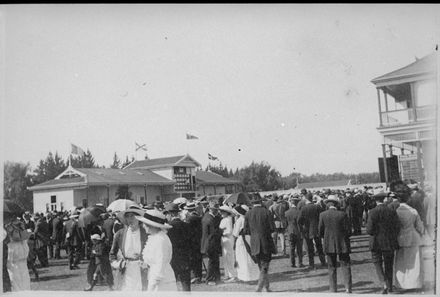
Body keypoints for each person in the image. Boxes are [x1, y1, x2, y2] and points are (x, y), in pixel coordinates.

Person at [392, 181, 425, 291]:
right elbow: (420, 227)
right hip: (413, 237)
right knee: (415, 262)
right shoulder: (413, 211)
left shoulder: (395, 212)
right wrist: (421, 233)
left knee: (401, 262)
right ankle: (414, 283)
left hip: (401, 238)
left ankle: (401, 284)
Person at [366, 192, 400, 294]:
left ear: (376, 201)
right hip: (389, 242)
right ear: (384, 199)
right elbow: (397, 226)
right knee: (389, 264)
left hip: (376, 242)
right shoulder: (391, 211)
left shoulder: (372, 212)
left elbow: (369, 230)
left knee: (377, 263)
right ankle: (389, 286)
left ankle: (383, 282)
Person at [136, 209, 177, 291]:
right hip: (156, 277)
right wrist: (145, 263)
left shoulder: (160, 240)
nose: (143, 226)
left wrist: (153, 284)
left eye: (145, 224)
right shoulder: (155, 237)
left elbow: (160, 263)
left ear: (151, 225)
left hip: (162, 281)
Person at [318, 195, 352, 293]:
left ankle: (333, 289)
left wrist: (327, 237)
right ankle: (348, 288)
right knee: (345, 265)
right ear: (336, 204)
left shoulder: (322, 215)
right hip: (342, 243)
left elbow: (320, 231)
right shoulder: (343, 214)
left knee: (331, 267)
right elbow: (348, 231)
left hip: (329, 243)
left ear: (328, 204)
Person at [110, 205, 148, 291]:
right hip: (126, 271)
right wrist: (119, 264)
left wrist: (146, 262)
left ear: (139, 218)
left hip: (142, 271)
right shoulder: (120, 234)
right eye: (128, 216)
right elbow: (112, 255)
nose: (130, 219)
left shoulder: (145, 233)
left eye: (133, 216)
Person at [244, 197, 276, 292]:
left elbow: (246, 230)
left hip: (254, 242)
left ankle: (266, 287)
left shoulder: (248, 213)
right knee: (265, 266)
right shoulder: (266, 212)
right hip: (265, 241)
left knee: (261, 266)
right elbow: (272, 228)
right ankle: (260, 287)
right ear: (261, 202)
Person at [164, 203, 192, 291]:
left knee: (171, 283)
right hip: (185, 257)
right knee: (186, 283)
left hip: (173, 258)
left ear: (170, 214)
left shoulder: (167, 227)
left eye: (166, 214)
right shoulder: (186, 225)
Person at [299, 193, 326, 269]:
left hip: (307, 230)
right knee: (319, 246)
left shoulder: (303, 208)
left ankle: (311, 264)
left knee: (310, 248)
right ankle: (323, 261)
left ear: (306, 199)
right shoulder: (317, 207)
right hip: (316, 229)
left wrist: (302, 227)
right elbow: (322, 216)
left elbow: (299, 220)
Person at [232, 205, 259, 282]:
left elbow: (235, 233)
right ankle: (253, 276)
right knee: (249, 257)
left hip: (241, 239)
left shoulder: (240, 220)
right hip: (249, 238)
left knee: (242, 258)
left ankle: (245, 276)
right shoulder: (249, 219)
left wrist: (235, 225)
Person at [5, 216, 31, 291]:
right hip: (14, 264)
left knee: (23, 285)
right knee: (18, 285)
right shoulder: (12, 241)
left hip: (20, 264)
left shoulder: (22, 240)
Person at [200, 201, 222, 286]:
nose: (216, 211)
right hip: (211, 243)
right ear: (211, 209)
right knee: (212, 261)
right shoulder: (210, 219)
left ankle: (217, 278)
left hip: (209, 242)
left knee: (214, 260)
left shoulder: (206, 217)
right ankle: (209, 279)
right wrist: (221, 231)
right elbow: (214, 232)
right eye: (215, 209)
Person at [184, 202, 203, 284]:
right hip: (198, 240)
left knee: (193, 259)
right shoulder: (198, 217)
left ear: (188, 210)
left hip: (192, 241)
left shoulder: (190, 218)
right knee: (198, 259)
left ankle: (196, 276)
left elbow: (186, 230)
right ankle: (199, 276)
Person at [219, 205, 238, 283]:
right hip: (224, 239)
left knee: (229, 257)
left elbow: (229, 231)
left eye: (223, 212)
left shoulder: (228, 220)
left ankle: (233, 275)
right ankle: (227, 274)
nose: (222, 213)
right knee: (225, 257)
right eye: (221, 211)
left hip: (228, 238)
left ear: (227, 213)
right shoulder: (223, 220)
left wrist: (222, 233)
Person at [285, 196, 304, 268]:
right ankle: (300, 262)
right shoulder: (299, 212)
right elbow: (302, 222)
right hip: (298, 231)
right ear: (297, 203)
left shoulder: (286, 213)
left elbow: (286, 223)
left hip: (290, 231)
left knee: (291, 248)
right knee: (299, 248)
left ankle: (292, 263)